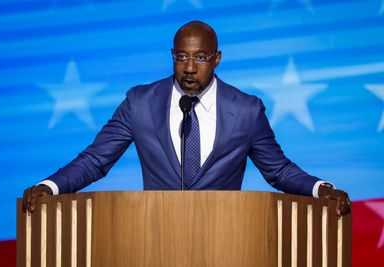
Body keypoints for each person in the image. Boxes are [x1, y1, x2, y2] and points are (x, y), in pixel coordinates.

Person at [23, 20, 351, 216]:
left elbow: (277, 171)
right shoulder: (139, 102)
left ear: (217, 59)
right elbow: (95, 160)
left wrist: (320, 189)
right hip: (153, 240)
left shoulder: (247, 110)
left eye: (200, 58)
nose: (190, 68)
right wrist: (49, 187)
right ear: (172, 56)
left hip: (228, 242)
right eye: (181, 57)